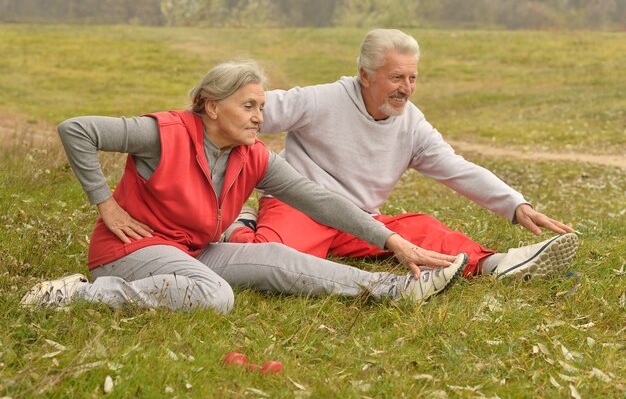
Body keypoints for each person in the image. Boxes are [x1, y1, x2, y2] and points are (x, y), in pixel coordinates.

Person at [21, 60, 469, 313]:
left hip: (191, 250)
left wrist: (392, 240)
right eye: (249, 106)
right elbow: (76, 130)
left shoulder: (252, 156)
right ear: (211, 107)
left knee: (274, 256)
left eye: (262, 106)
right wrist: (105, 203)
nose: (259, 117)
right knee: (216, 296)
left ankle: (397, 291)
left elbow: (321, 201)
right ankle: (76, 295)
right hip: (129, 253)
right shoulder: (163, 133)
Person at [226, 29, 579, 280]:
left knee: (421, 228)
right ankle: (240, 224)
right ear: (365, 75)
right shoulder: (321, 100)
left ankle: (499, 264)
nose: (406, 89)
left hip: (359, 220)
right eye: (397, 77)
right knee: (274, 258)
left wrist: (516, 205)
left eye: (412, 78)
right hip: (299, 208)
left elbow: (458, 169)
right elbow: (247, 112)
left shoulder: (411, 124)